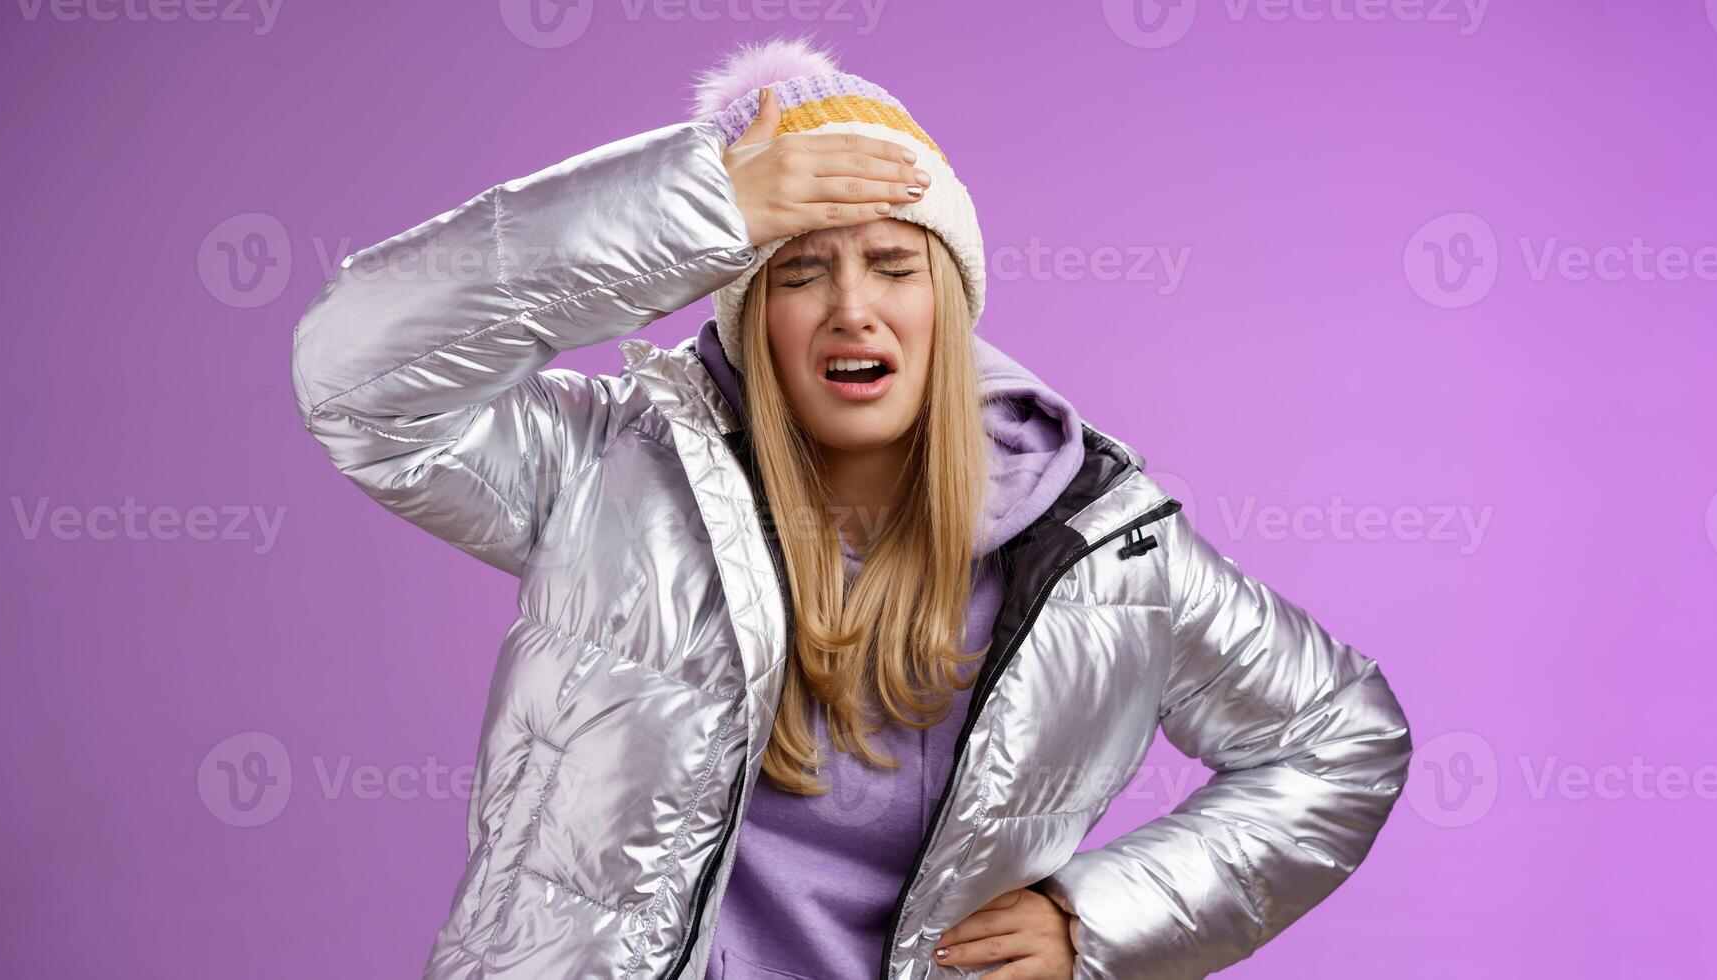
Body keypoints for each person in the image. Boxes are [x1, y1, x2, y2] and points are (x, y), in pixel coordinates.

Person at [289, 37, 1412, 980]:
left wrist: (1098, 920)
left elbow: (1340, 740)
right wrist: (695, 203)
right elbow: (358, 374)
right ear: (742, 312)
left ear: (948, 303)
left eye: (891, 263)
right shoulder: (610, 468)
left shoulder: (1094, 543)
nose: (851, 309)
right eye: (797, 272)